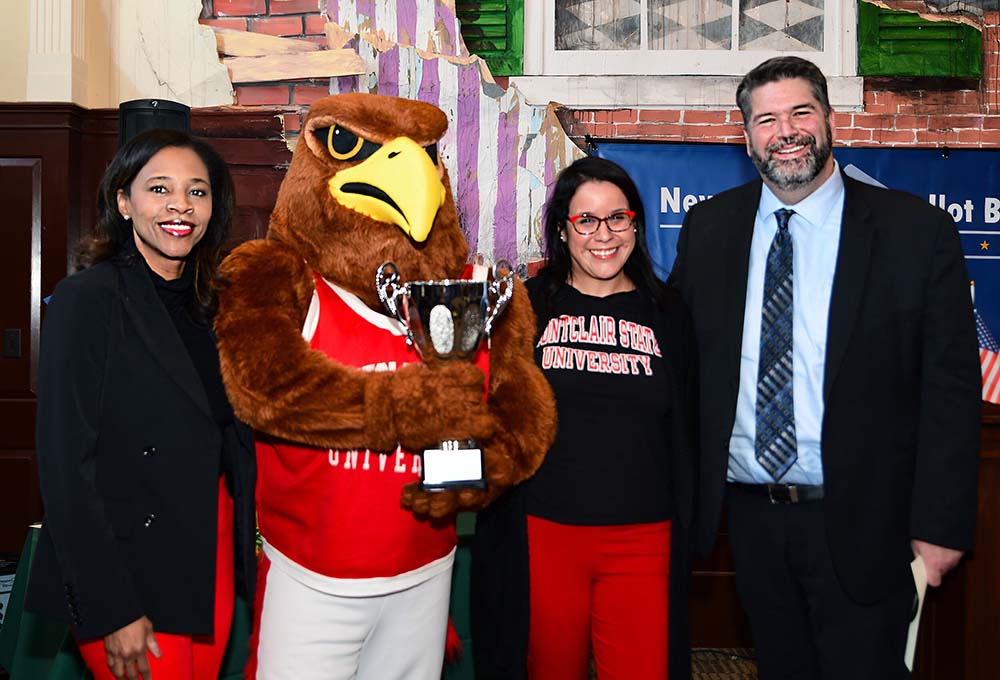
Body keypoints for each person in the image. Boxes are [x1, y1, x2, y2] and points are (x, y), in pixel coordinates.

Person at [669, 56, 981, 679]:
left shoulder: (915, 232)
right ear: (747, 135)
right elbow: (677, 359)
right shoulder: (711, 227)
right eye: (766, 119)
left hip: (867, 520)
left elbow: (949, 391)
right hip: (751, 522)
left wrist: (941, 525)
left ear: (829, 119)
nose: (785, 131)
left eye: (799, 112)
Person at [26, 129, 257, 680]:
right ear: (124, 202)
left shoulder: (218, 305)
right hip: (128, 565)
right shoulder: (87, 300)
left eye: (197, 192)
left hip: (209, 550)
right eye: (160, 189)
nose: (181, 205)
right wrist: (111, 608)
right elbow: (65, 468)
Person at [471, 156, 697, 680]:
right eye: (586, 220)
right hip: (545, 536)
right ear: (562, 229)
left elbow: (690, 429)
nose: (604, 234)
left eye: (618, 218)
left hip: (644, 540)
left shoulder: (668, 313)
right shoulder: (525, 308)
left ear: (636, 226)